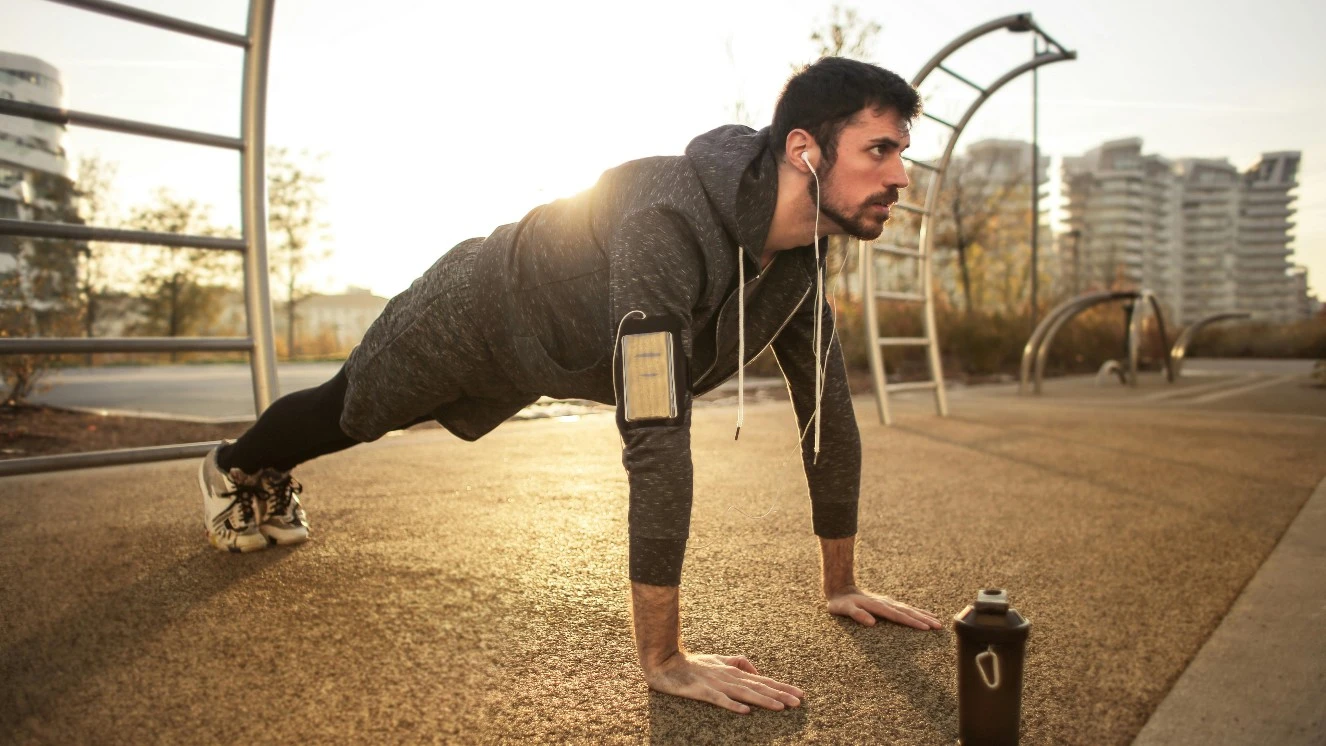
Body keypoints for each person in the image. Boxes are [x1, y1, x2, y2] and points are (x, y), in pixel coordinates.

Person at [198, 56, 944, 715]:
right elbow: (655, 429)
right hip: (475, 309)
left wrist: (840, 584)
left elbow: (829, 415)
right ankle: (237, 463)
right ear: (804, 149)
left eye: (903, 153)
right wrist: (664, 658)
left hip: (555, 352)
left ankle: (259, 467)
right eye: (879, 150)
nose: (900, 176)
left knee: (358, 412)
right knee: (351, 412)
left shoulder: (801, 265)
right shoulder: (667, 220)